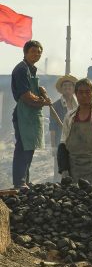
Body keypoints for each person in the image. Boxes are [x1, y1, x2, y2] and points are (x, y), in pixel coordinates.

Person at [57, 78, 92, 185]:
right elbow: (63, 142)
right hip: (73, 167)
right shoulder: (70, 116)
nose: (84, 95)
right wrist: (64, 169)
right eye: (81, 92)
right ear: (76, 94)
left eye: (87, 92)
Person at [11, 40, 51, 189]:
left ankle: (25, 180)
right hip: (23, 114)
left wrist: (41, 91)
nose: (37, 54)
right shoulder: (21, 69)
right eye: (34, 51)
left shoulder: (31, 69)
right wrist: (43, 101)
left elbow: (32, 89)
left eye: (39, 51)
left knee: (30, 147)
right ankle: (19, 182)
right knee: (22, 146)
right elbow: (26, 95)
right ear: (26, 52)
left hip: (31, 114)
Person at [50, 75, 78, 181]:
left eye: (70, 86)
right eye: (64, 86)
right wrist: (53, 146)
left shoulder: (79, 104)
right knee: (60, 167)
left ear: (73, 88)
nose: (67, 88)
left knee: (74, 165)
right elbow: (52, 127)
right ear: (61, 90)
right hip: (61, 140)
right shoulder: (56, 105)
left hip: (76, 140)